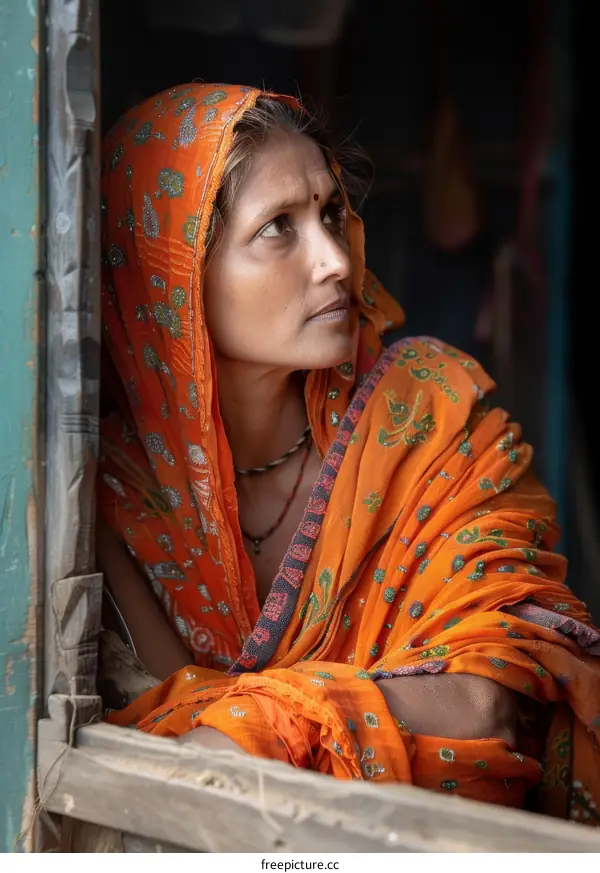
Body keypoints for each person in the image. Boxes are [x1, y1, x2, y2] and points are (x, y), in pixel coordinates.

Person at [97, 83, 600, 822]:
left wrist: (258, 728)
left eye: (332, 213)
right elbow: (168, 760)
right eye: (278, 228)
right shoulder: (117, 496)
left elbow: (487, 706)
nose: (336, 258)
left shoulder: (429, 421)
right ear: (172, 280)